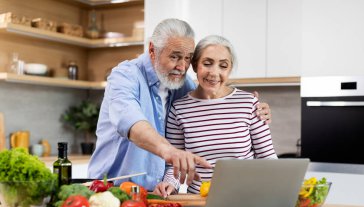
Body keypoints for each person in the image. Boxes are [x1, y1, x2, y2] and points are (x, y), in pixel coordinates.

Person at [88, 19, 272, 191]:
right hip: (111, 188)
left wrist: (247, 102)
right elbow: (129, 120)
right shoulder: (125, 76)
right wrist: (170, 152)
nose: (182, 67)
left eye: (187, 58)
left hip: (156, 195)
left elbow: (211, 93)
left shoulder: (182, 85)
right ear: (152, 50)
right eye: (175, 57)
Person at [154, 35, 277, 196]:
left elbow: (267, 158)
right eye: (207, 63)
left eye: (223, 66)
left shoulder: (249, 103)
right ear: (195, 65)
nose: (214, 73)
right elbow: (174, 166)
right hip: (199, 202)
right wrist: (169, 184)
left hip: (245, 198)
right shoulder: (179, 109)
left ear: (230, 69)